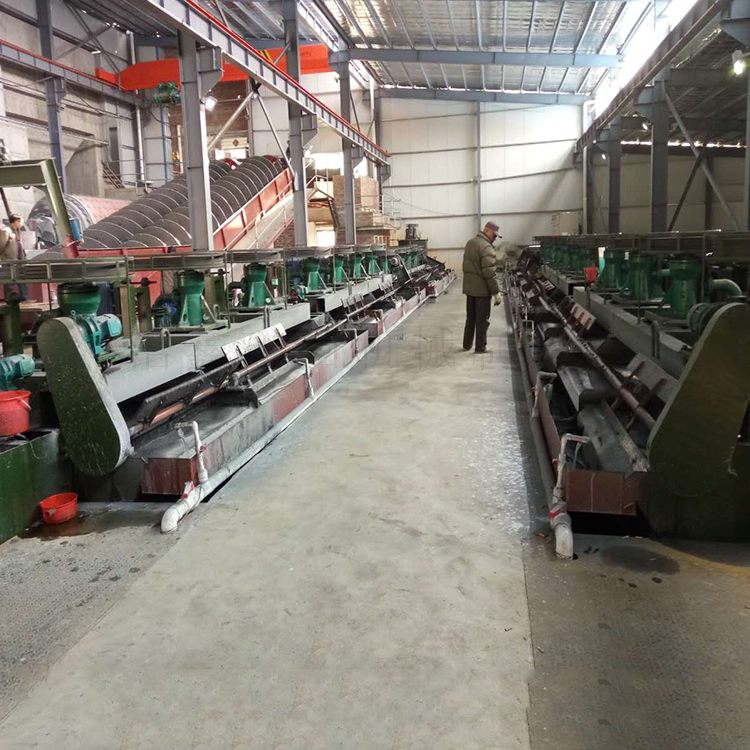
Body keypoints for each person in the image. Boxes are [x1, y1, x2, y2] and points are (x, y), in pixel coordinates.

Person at [462, 220, 502, 354]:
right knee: (482, 320)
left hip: (470, 289)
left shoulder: (470, 243)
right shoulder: (486, 247)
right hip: (482, 291)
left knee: (470, 317)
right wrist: (496, 292)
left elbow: (466, 266)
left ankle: (467, 344)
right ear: (487, 230)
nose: (495, 238)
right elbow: (489, 273)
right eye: (494, 235)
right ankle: (480, 346)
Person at [0, 213, 28, 302]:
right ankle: (8, 298)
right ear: (16, 221)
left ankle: (24, 297)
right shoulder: (6, 231)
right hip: (9, 260)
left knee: (22, 279)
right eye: (21, 222)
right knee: (9, 280)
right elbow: (1, 245)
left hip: (19, 260)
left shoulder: (18, 231)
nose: (22, 224)